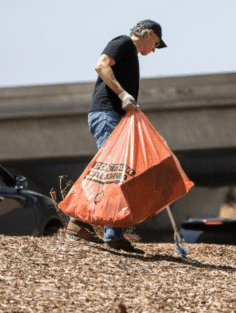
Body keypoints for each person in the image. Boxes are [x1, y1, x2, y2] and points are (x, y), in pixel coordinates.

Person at [65, 19, 167, 253]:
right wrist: (123, 95)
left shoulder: (130, 53)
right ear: (149, 34)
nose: (152, 51)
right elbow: (101, 66)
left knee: (112, 172)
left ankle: (86, 225)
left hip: (113, 117)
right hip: (105, 114)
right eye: (155, 44)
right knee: (115, 172)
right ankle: (102, 231)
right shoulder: (122, 42)